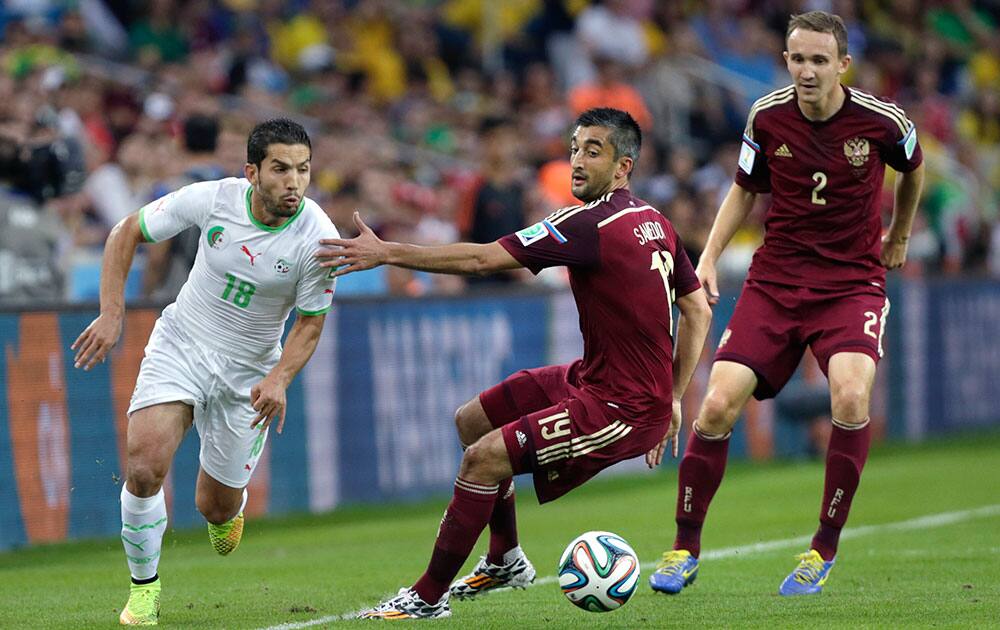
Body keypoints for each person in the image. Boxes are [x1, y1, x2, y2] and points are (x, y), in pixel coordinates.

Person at [316, 107, 712, 619]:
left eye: (593, 151)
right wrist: (675, 395)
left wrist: (389, 251)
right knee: (472, 421)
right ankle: (505, 557)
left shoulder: (589, 224)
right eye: (574, 148)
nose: (577, 161)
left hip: (622, 406)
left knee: (482, 459)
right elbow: (697, 308)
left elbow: (482, 260)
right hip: (595, 381)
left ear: (623, 168)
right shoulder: (654, 221)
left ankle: (427, 597)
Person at [648, 11, 925, 598]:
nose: (806, 70)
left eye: (819, 60)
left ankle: (821, 549)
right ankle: (683, 547)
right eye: (797, 58)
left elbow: (913, 170)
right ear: (787, 60)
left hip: (850, 283)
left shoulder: (882, 120)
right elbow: (745, 189)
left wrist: (898, 235)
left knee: (850, 394)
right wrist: (706, 256)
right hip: (775, 282)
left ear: (843, 65)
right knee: (719, 404)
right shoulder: (766, 116)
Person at [71, 118, 339, 625]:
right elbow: (126, 230)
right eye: (280, 169)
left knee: (213, 508)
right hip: (183, 344)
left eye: (303, 170)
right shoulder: (214, 198)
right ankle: (143, 593)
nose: (294, 182)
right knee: (145, 464)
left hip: (248, 373)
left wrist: (279, 377)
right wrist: (112, 312)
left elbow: (309, 324)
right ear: (252, 172)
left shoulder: (317, 238)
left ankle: (228, 511)